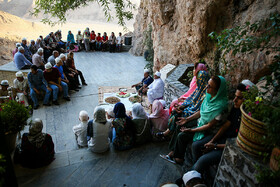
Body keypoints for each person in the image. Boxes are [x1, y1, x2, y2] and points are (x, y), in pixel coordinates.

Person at [161, 76, 228, 165]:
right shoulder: (209, 97)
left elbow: (209, 126)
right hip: (200, 121)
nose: (206, 87)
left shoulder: (220, 106)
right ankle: (173, 152)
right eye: (207, 85)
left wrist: (192, 130)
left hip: (207, 130)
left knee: (182, 135)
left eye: (209, 86)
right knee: (179, 124)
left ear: (217, 90)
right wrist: (187, 119)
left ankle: (179, 158)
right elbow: (201, 111)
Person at [192, 83, 246, 175]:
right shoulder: (235, 109)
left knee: (202, 161)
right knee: (196, 145)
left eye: (239, 98)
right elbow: (225, 125)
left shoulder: (246, 119)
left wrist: (215, 146)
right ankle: (197, 175)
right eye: (235, 96)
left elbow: (238, 143)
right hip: (221, 139)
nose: (234, 100)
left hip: (228, 145)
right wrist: (212, 141)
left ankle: (193, 175)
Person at [158, 70, 210, 137]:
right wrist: (181, 107)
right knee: (174, 111)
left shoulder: (206, 95)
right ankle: (169, 131)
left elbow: (199, 109)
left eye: (198, 79)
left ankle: (168, 133)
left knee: (176, 117)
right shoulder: (198, 89)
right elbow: (190, 100)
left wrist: (185, 112)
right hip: (190, 110)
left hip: (193, 114)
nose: (197, 81)